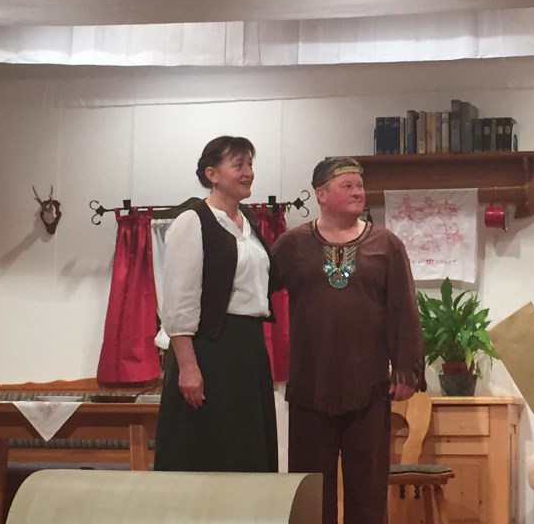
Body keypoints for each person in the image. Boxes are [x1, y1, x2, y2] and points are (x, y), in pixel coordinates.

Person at [272, 156, 424, 524]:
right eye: (348, 186)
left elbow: (403, 309)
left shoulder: (386, 244)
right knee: (310, 491)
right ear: (321, 194)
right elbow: (253, 293)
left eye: (360, 185)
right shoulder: (292, 244)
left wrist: (406, 371)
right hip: (310, 387)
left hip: (367, 389)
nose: (358, 192)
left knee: (368, 491)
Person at [154, 135, 278, 473]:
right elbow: (179, 300)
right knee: (212, 447)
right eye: (238, 165)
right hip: (210, 349)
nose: (248, 172)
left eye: (250, 164)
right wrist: (188, 367)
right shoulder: (194, 220)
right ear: (212, 174)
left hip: (248, 347)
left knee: (245, 446)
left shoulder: (248, 221)